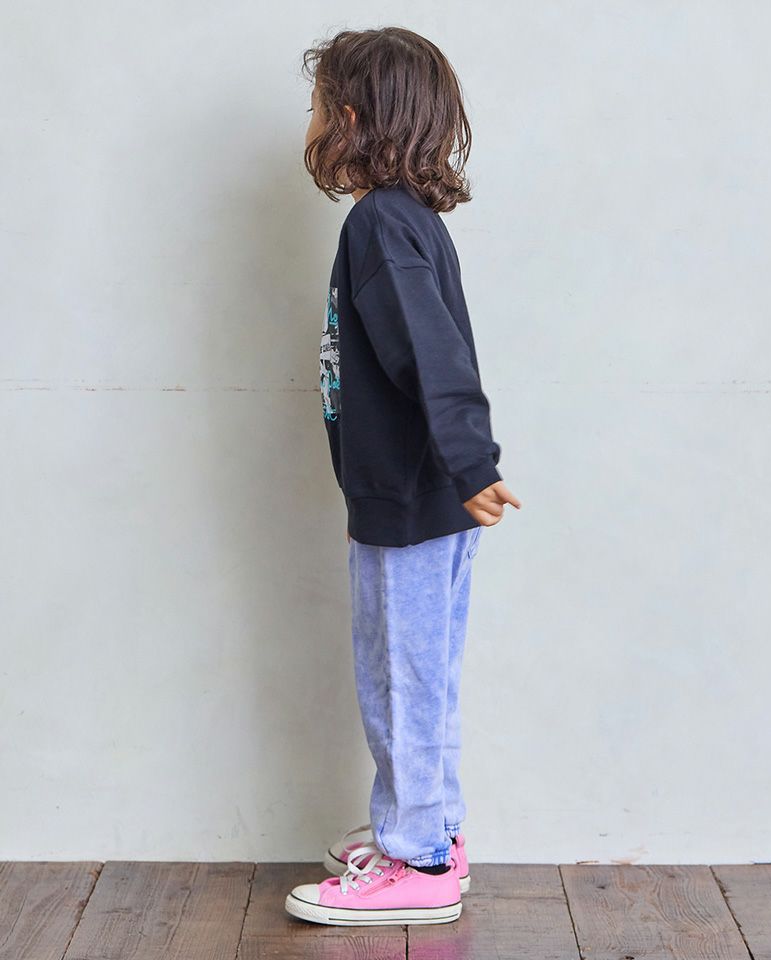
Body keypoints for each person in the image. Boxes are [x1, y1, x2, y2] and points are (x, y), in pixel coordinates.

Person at [285, 26, 522, 927]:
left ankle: (417, 858)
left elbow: (432, 352)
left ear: (350, 120)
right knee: (415, 677)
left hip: (417, 503)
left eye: (318, 108)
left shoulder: (381, 224)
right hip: (417, 500)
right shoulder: (406, 222)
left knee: (402, 683)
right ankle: (430, 832)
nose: (311, 124)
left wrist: (469, 461)